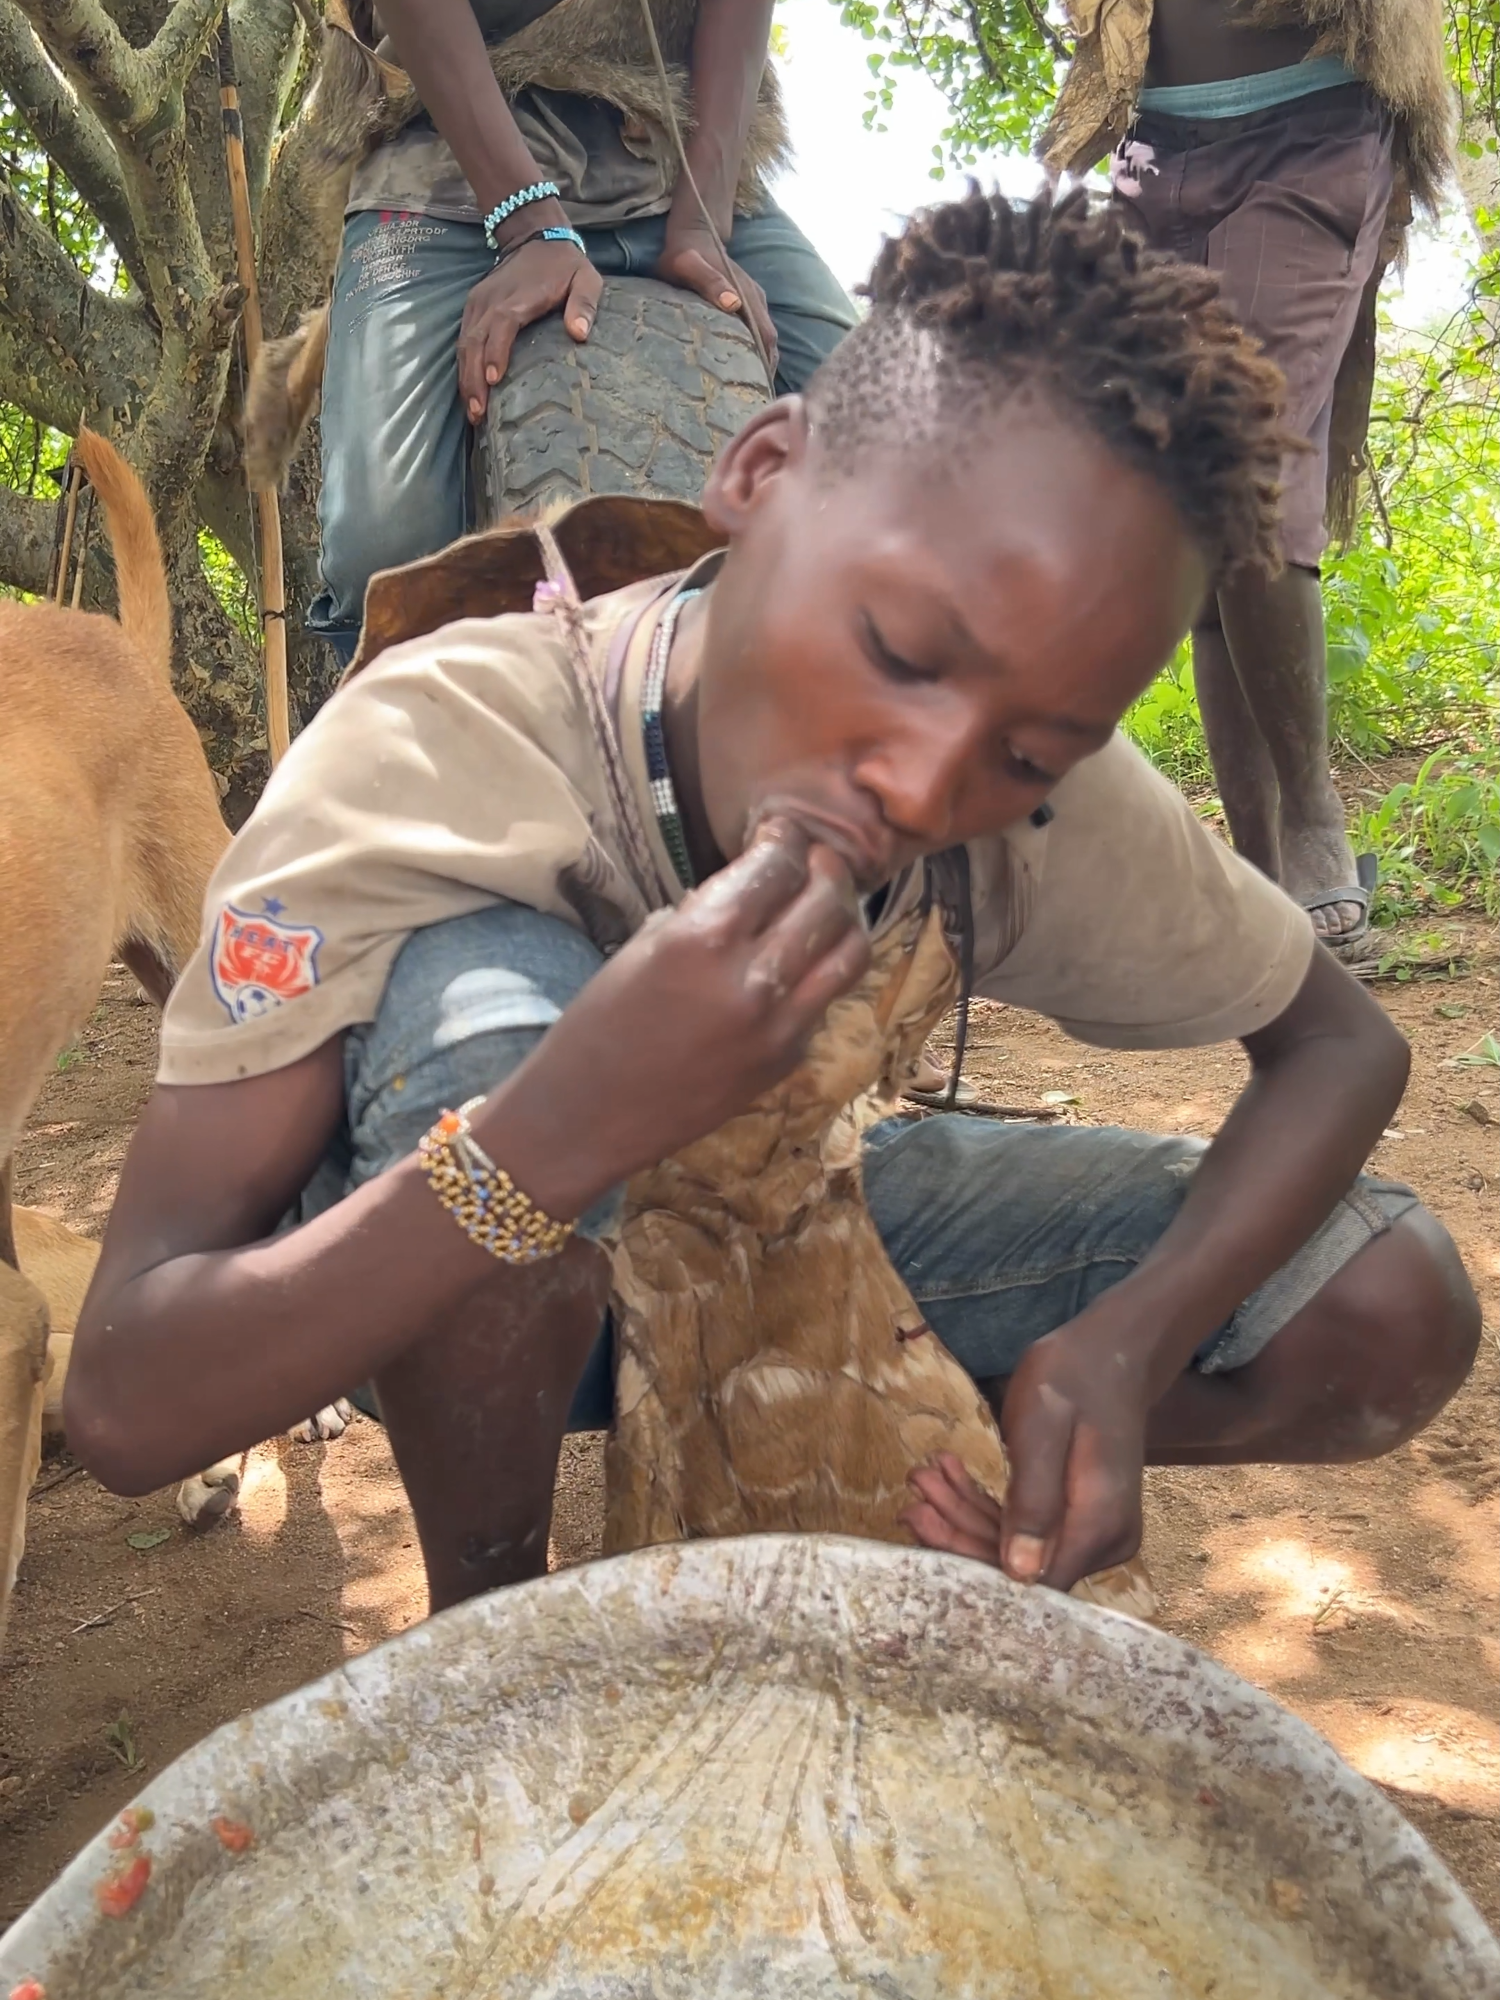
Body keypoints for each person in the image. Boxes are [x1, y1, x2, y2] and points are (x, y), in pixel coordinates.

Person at [65, 191, 1479, 1614]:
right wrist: (555, 1130)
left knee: (1386, 1298)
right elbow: (126, 1402)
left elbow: (1343, 1046)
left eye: (1029, 751)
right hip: (428, 1271)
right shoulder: (433, 754)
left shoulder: (1039, 804)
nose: (923, 784)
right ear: (760, 470)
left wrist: (1132, 1342)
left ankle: (893, 1481)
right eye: (899, 648)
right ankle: (496, 1630)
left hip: (780, 1225)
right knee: (480, 1016)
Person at [1040, 0, 1453, 966]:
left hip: (1313, 128)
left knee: (1247, 457)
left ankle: (1312, 818)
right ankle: (1261, 872)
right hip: (1153, 146)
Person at [304, 0, 857, 670]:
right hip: (440, 156)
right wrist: (529, 222)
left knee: (891, 458)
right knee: (384, 553)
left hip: (672, 145)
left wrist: (702, 221)